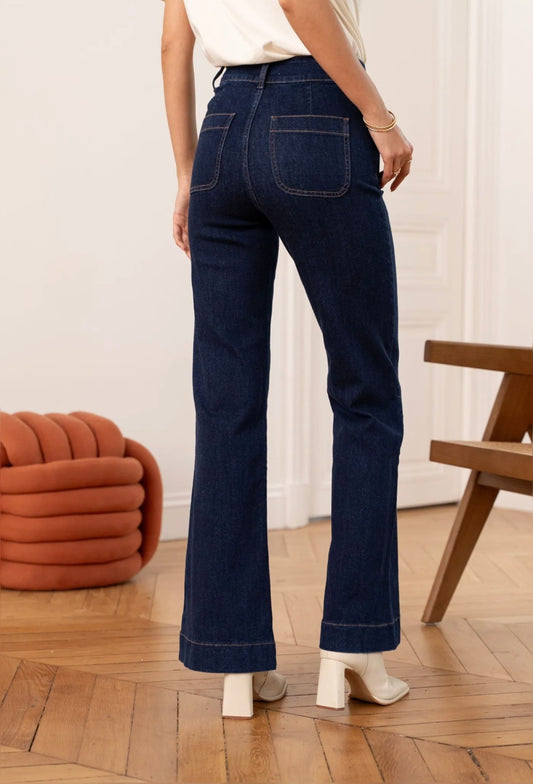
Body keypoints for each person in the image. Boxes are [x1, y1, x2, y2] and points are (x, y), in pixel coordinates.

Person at [160, 0, 413, 718]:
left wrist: (186, 173)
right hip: (316, 117)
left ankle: (235, 661)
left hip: (221, 134)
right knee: (365, 390)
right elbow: (301, 4)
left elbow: (173, 45)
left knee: (226, 403)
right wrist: (378, 115)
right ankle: (353, 648)